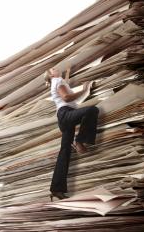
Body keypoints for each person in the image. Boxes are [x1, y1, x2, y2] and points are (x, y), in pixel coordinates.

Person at [43, 66, 99, 201]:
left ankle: (57, 189)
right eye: (54, 69)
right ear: (51, 75)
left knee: (65, 152)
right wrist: (85, 90)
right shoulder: (57, 81)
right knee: (92, 110)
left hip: (64, 117)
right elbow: (66, 97)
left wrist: (68, 72)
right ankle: (79, 141)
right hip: (66, 114)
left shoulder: (59, 81)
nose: (57, 68)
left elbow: (65, 83)